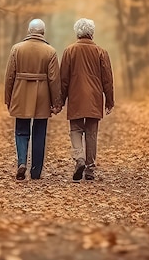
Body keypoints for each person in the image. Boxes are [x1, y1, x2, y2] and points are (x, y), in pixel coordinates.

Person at [4, 19, 62, 180]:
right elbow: (54, 79)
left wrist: (8, 98)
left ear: (29, 31)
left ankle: (22, 162)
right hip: (42, 95)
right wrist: (56, 102)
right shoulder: (50, 51)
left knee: (21, 130)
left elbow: (10, 76)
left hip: (20, 93)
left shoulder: (16, 49)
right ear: (43, 32)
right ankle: (36, 171)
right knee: (39, 132)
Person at [60, 18, 114, 182]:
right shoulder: (101, 52)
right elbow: (107, 79)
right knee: (91, 133)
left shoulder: (69, 51)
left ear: (77, 33)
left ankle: (79, 158)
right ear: (92, 33)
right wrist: (109, 101)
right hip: (94, 97)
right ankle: (90, 170)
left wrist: (60, 100)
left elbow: (63, 79)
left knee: (75, 130)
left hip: (76, 96)